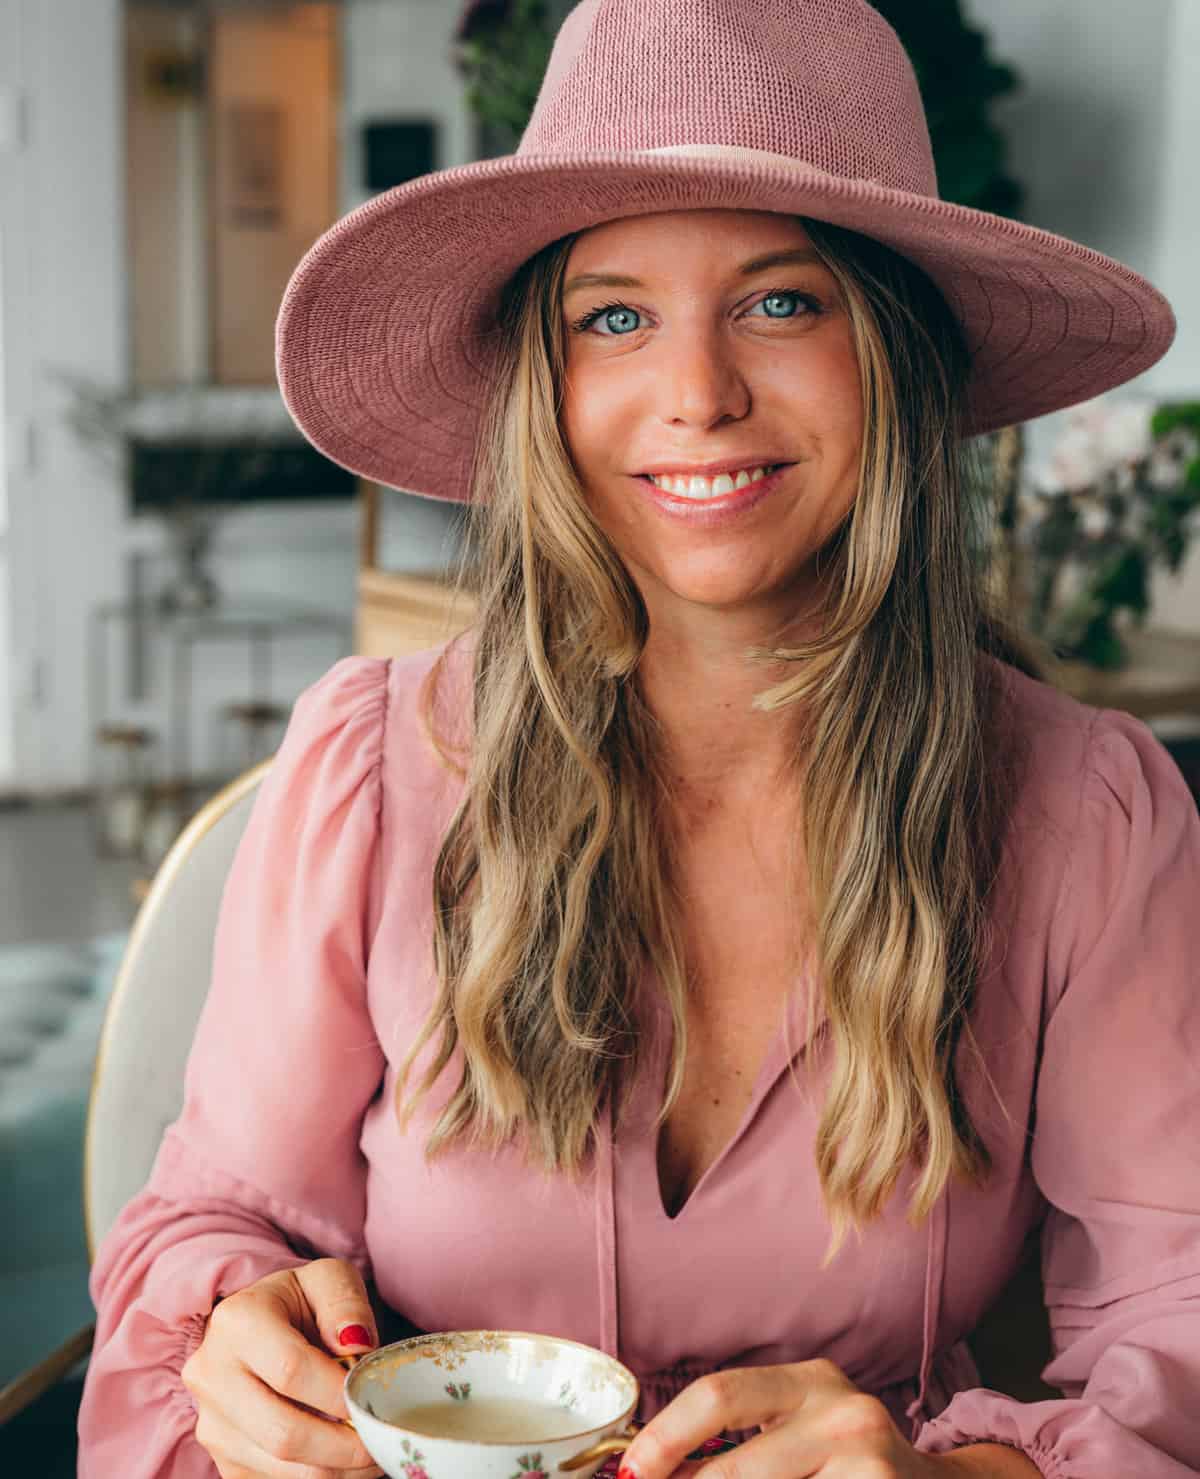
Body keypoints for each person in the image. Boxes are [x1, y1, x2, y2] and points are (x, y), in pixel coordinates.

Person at [77, 1, 1200, 1476]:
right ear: (544, 389)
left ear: (899, 357)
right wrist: (240, 1341)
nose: (696, 395)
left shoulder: (1092, 814)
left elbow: (1174, 1329)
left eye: (783, 304)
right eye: (613, 317)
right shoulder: (365, 770)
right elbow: (214, 1226)